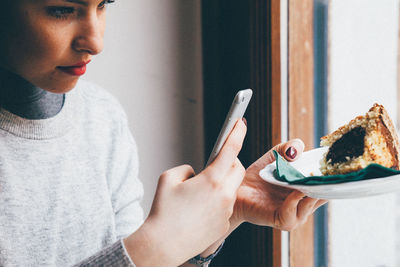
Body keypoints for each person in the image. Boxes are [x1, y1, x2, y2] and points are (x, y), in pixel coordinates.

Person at [0, 0, 327, 266]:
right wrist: (157, 242)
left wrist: (217, 219)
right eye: (62, 10)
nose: (96, 42)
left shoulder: (102, 116)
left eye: (103, 5)